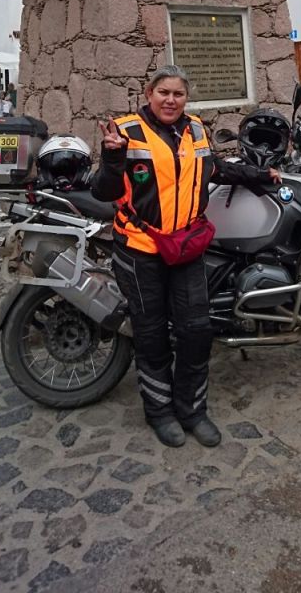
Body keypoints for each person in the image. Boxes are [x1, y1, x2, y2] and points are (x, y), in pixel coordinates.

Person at [91, 65, 281, 449]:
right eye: (163, 92)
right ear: (149, 93)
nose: (170, 100)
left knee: (196, 330)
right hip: (141, 249)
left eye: (177, 94)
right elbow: (103, 191)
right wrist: (112, 158)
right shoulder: (126, 132)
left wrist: (262, 176)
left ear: (185, 98)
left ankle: (192, 410)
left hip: (186, 246)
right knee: (152, 334)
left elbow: (217, 170)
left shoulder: (196, 129)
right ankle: (160, 412)